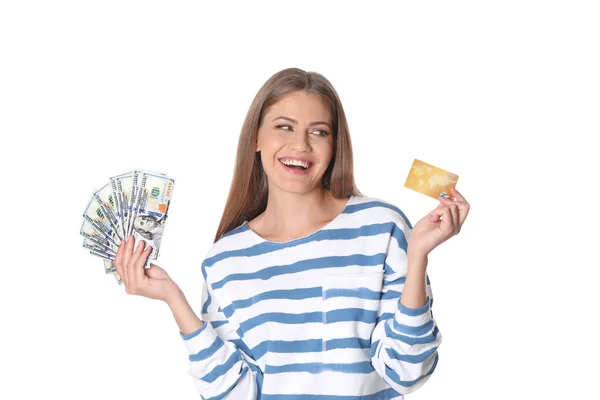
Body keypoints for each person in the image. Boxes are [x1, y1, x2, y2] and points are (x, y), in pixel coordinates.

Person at [113, 67, 470, 399]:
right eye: (284, 127)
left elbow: (407, 370)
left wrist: (419, 254)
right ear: (255, 139)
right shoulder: (225, 258)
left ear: (334, 147)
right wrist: (173, 298)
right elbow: (237, 393)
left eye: (319, 131)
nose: (301, 145)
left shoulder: (382, 226)